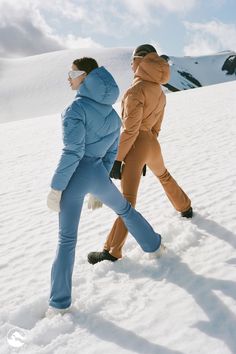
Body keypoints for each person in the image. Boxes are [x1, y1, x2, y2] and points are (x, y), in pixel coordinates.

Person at [46, 57, 164, 314]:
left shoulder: (75, 110)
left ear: (85, 77)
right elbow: (110, 154)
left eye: (72, 72)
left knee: (66, 239)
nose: (68, 77)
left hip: (75, 177)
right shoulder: (112, 115)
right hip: (98, 174)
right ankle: (154, 245)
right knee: (125, 210)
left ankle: (59, 303)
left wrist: (57, 188)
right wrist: (100, 181)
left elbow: (72, 151)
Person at [88, 44, 192, 265]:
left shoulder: (135, 91)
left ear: (141, 60)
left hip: (135, 145)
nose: (131, 64)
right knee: (164, 176)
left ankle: (111, 251)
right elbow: (156, 127)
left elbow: (130, 130)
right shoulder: (159, 90)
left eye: (132, 60)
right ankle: (185, 207)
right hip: (152, 143)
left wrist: (117, 158)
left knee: (127, 201)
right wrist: (148, 147)